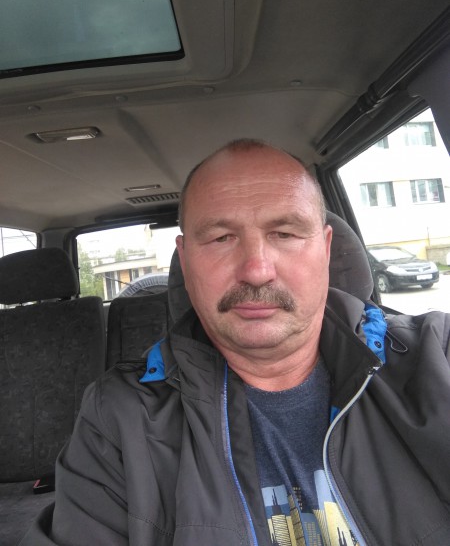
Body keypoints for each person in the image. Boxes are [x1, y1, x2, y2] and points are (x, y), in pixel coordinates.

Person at [21, 140, 450, 546]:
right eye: (221, 238)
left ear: (325, 249)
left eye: (285, 233)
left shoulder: (437, 356)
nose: (257, 270)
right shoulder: (119, 416)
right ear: (185, 260)